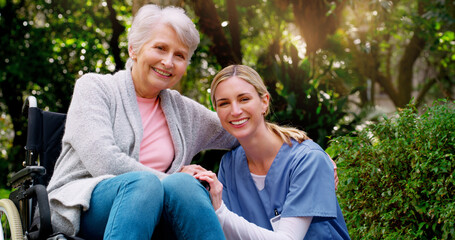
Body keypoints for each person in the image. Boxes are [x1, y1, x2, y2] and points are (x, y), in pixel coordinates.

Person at [45, 4, 236, 239]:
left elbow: (238, 128)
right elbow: (104, 161)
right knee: (146, 184)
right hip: (84, 206)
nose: (168, 62)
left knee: (186, 187)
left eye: (180, 55)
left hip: (157, 212)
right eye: (160, 48)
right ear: (134, 49)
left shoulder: (184, 111)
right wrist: (170, 180)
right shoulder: (96, 88)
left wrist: (289, 143)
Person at [195, 65, 350, 239]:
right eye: (224, 103)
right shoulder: (230, 166)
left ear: (264, 102)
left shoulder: (308, 160)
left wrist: (219, 211)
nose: (235, 111)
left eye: (244, 99)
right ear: (216, 110)